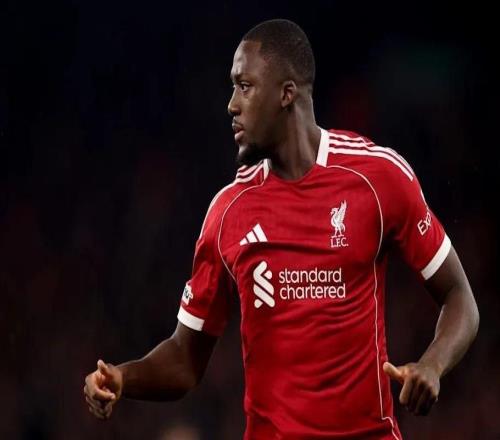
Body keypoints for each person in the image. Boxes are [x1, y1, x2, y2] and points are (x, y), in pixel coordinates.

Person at [83, 19, 479, 439]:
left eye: (245, 86)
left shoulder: (378, 178)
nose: (231, 105)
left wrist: (432, 365)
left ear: (286, 93)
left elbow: (460, 298)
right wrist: (123, 378)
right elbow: (185, 359)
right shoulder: (228, 212)